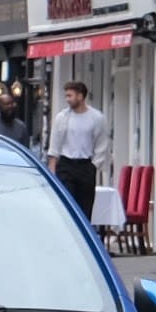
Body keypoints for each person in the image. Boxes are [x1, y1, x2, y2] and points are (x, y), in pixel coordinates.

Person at [47, 79, 108, 225]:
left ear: (80, 96)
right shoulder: (62, 117)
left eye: (70, 96)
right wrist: (52, 168)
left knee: (85, 207)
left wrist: (94, 166)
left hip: (85, 166)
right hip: (66, 165)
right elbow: (54, 144)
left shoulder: (96, 118)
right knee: (67, 205)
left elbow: (102, 144)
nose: (67, 99)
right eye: (66, 96)